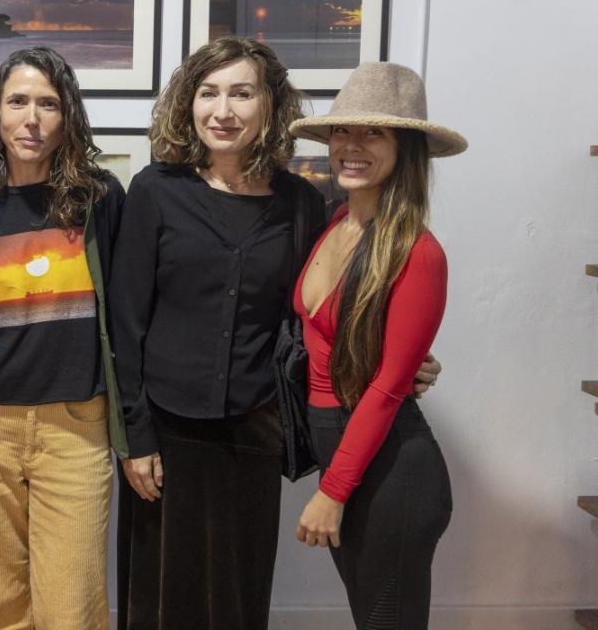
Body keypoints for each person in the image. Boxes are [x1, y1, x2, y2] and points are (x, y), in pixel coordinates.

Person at [110, 38, 442, 630]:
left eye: (242, 93)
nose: (223, 110)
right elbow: (126, 323)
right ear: (188, 104)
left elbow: (321, 313)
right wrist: (135, 437)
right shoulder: (155, 191)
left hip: (255, 430)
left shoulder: (302, 203)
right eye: (208, 94)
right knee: (161, 595)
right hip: (165, 431)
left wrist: (404, 357)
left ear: (269, 106)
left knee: (240, 594)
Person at [0, 46, 129, 629]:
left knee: (72, 607)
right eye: (17, 101)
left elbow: (128, 308)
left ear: (68, 117)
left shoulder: (99, 200)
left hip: (74, 429)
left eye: (48, 103)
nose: (32, 118)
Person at [288, 62, 465, 629]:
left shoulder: (418, 252)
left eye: (374, 133)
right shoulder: (336, 220)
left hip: (393, 472)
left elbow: (389, 387)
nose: (351, 145)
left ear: (405, 147)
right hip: (341, 449)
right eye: (342, 131)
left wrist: (334, 491)